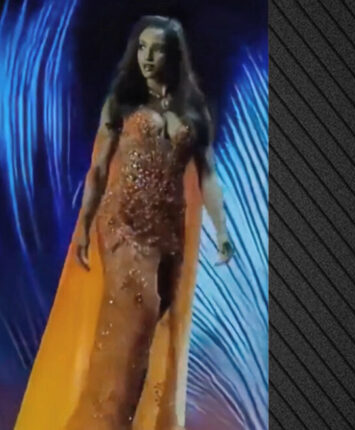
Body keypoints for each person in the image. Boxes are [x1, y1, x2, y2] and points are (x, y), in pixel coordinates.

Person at [14, 15, 233, 430]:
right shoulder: (123, 102)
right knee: (135, 321)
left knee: (145, 344)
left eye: (158, 50)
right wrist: (84, 226)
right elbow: (98, 169)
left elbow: (207, 175)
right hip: (123, 227)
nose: (147, 58)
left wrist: (221, 231)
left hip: (167, 239)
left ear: (173, 56)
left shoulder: (192, 110)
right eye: (142, 48)